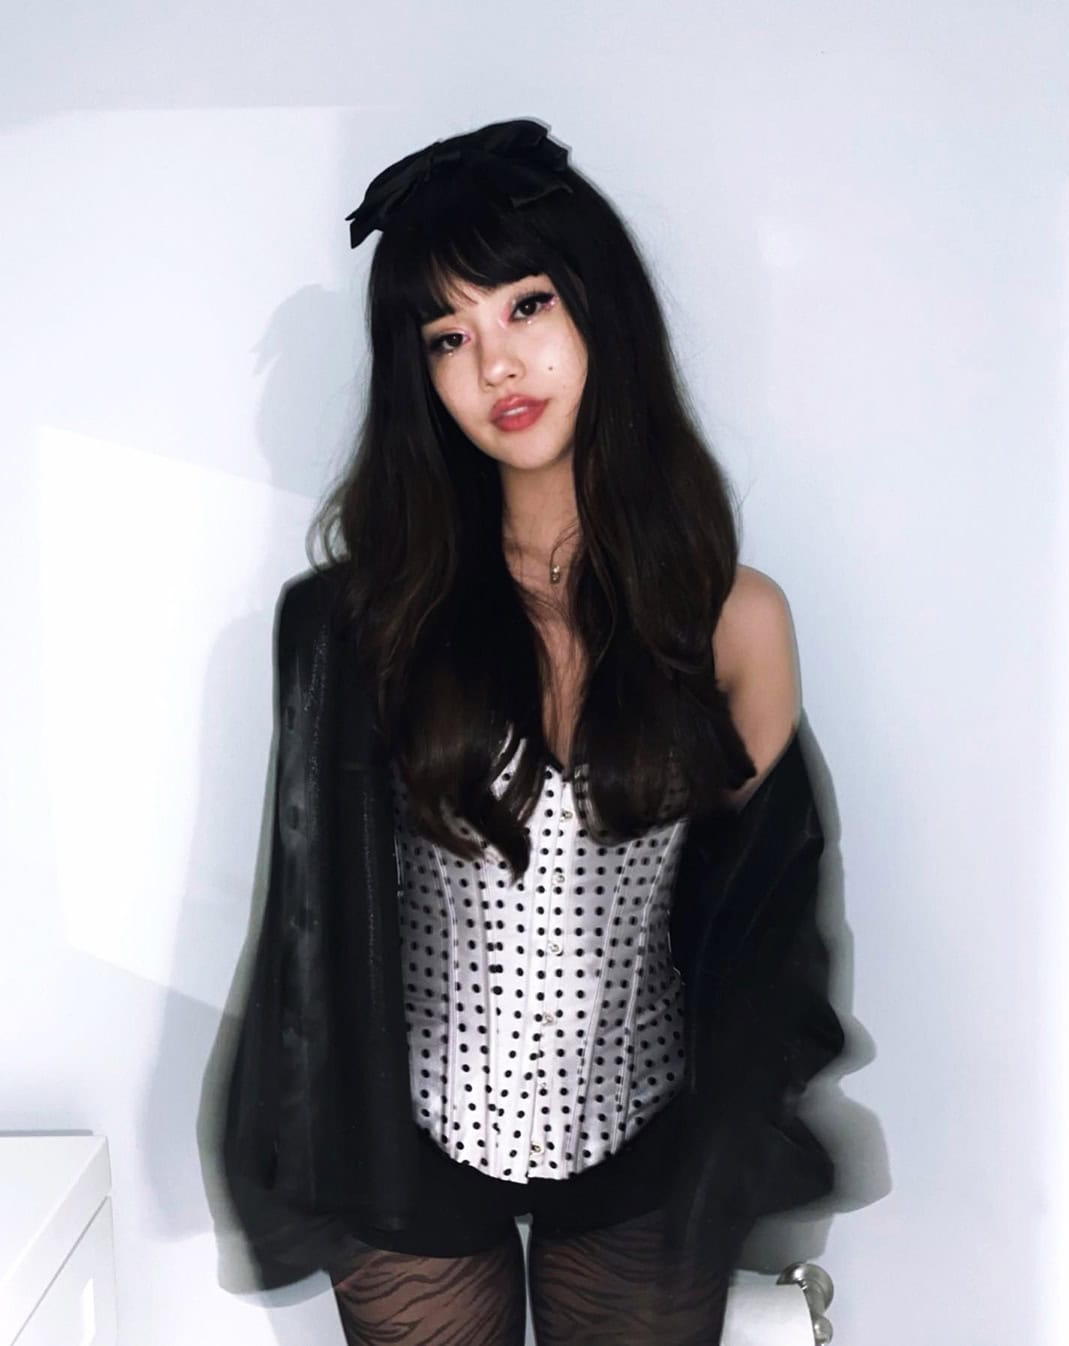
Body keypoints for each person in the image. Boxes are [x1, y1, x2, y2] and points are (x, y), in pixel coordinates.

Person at [219, 119, 845, 1345]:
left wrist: (740, 1133)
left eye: (526, 304)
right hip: (407, 1149)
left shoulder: (735, 619)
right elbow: (310, 921)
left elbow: (763, 923)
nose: (496, 362)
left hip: (645, 1133)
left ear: (600, 309)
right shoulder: (359, 622)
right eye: (448, 337)